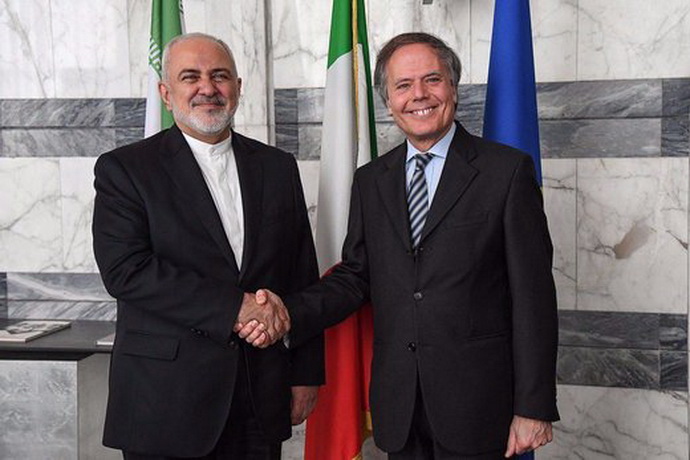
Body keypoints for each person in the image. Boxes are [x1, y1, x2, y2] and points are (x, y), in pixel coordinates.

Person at [237, 32, 559, 459]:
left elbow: (534, 298)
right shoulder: (372, 180)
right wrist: (286, 311)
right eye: (403, 85)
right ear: (388, 101)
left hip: (480, 406)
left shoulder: (507, 172)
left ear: (453, 88)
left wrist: (533, 407)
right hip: (400, 406)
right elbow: (355, 278)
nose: (418, 95)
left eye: (432, 80)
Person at [92, 32, 323, 460]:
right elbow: (126, 270)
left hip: (259, 396)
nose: (207, 88)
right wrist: (236, 308)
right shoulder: (125, 169)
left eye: (219, 76)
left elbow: (301, 273)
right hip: (166, 401)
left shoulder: (277, 166)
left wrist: (306, 373)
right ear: (166, 93)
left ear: (237, 86)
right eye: (190, 77)